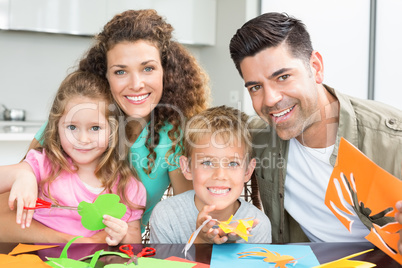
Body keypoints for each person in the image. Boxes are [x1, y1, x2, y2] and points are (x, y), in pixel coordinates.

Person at [0, 9, 210, 242]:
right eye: (120, 71)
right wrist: (25, 174)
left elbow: (189, 221)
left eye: (148, 68)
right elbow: (4, 214)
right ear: (104, 75)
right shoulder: (73, 121)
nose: (136, 84)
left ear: (166, 72)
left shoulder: (173, 136)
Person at [229, 12, 402, 244]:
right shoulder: (257, 136)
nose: (270, 99)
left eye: (283, 77)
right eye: (255, 87)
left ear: (316, 67)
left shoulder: (393, 141)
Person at [0, 71, 146, 246]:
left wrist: (122, 235)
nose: (83, 139)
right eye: (72, 127)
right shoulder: (44, 165)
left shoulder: (128, 187)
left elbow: (135, 242)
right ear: (57, 127)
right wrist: (23, 176)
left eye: (95, 128)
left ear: (112, 130)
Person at [149, 106, 272, 244]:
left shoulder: (258, 225)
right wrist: (200, 243)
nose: (220, 175)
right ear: (187, 167)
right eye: (207, 163)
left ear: (248, 171)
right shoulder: (166, 215)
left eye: (233, 164)